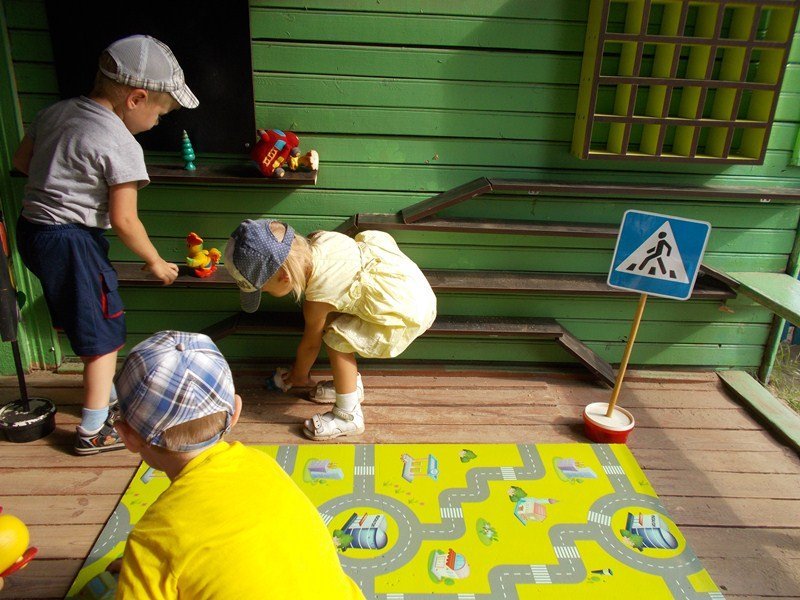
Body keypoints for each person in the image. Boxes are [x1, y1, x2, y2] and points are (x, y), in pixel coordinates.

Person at [11, 35, 197, 455]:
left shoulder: (54, 113)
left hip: (34, 231)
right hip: (72, 241)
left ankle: (106, 395)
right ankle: (94, 430)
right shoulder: (121, 143)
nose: (157, 122)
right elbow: (125, 220)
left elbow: (22, 162)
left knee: (87, 319)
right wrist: (156, 261)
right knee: (103, 335)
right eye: (159, 113)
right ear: (136, 98)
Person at [111, 330, 365, 598]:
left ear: (128, 437)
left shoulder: (152, 539)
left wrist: (143, 569)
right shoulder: (264, 465)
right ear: (235, 412)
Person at [224, 219, 437, 440]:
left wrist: (298, 376)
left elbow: (310, 345)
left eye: (265, 289)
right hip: (407, 285)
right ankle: (349, 384)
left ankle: (348, 415)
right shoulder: (320, 239)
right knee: (334, 318)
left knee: (336, 339)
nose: (265, 293)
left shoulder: (317, 301)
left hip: (405, 312)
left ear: (284, 277)